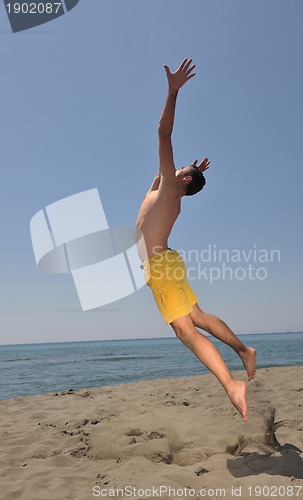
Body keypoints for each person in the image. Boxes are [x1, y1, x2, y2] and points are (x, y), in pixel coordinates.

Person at [136, 58, 256, 422]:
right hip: (167, 261)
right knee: (198, 316)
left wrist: (172, 93)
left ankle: (232, 384)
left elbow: (163, 133)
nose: (172, 169)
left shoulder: (171, 187)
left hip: (161, 265)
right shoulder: (166, 188)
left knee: (186, 331)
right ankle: (244, 350)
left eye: (180, 171)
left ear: (182, 182)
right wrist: (195, 170)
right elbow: (164, 172)